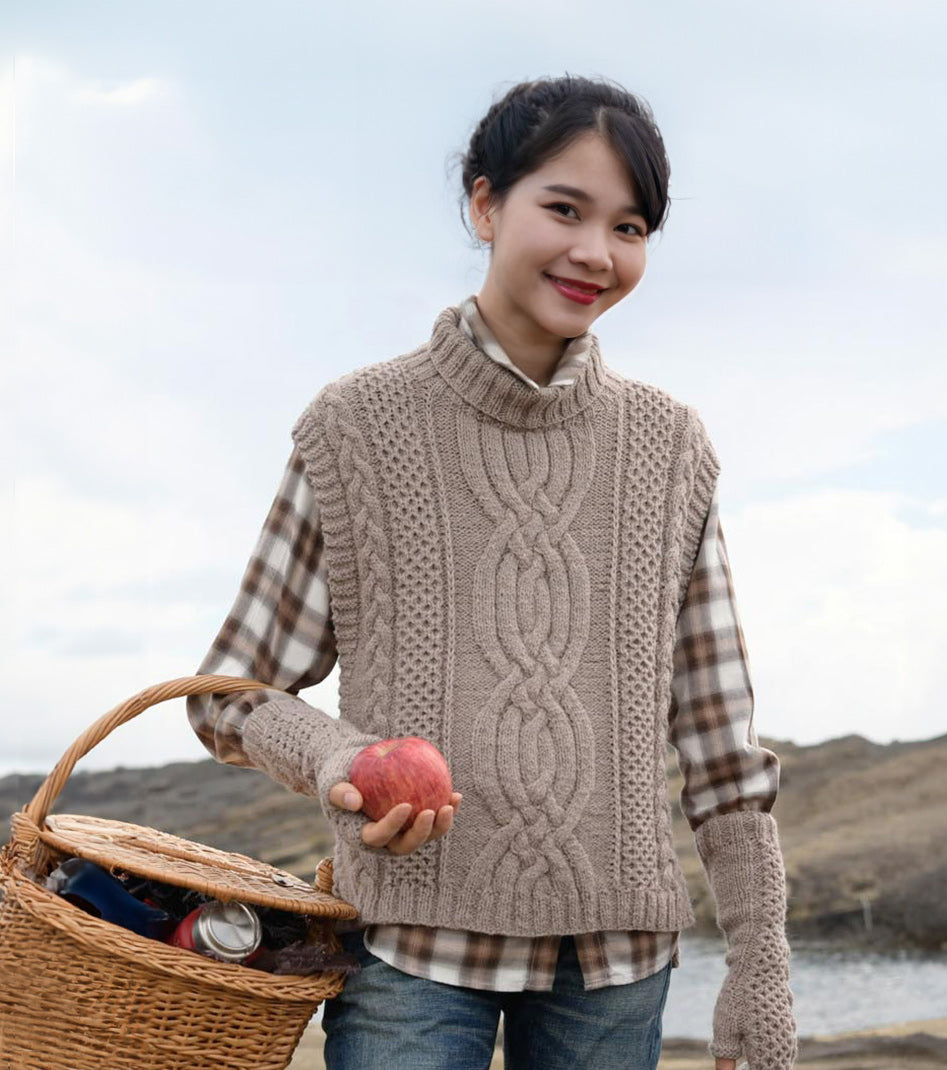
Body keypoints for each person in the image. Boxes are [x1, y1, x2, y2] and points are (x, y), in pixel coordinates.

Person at [187, 74, 797, 1070]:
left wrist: (758, 962)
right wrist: (339, 759)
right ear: (483, 204)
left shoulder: (670, 447)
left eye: (630, 225)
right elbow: (229, 693)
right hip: (407, 956)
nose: (595, 251)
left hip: (614, 964)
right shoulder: (354, 428)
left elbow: (720, 746)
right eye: (563, 208)